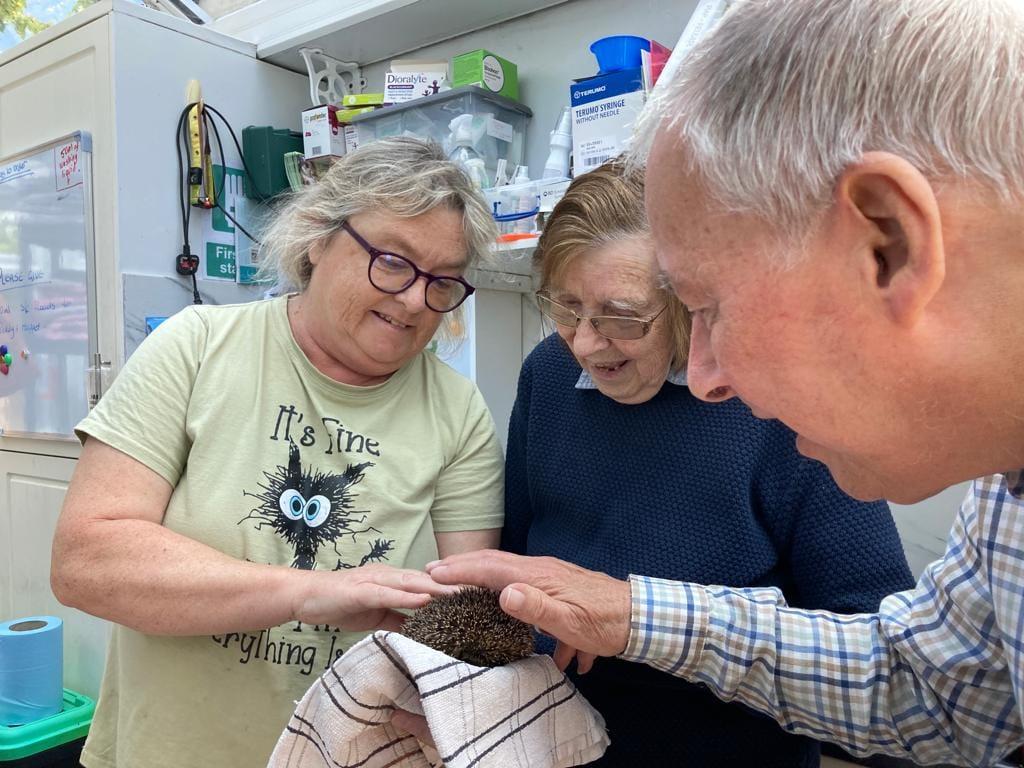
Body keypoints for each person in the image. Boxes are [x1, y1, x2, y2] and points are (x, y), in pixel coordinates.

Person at [426, 1, 1024, 765]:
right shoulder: (1004, 499)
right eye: (567, 311)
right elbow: (925, 686)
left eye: (707, 307)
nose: (705, 379)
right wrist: (635, 615)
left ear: (889, 245)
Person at [50, 137, 506, 768]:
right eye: (393, 262)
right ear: (318, 237)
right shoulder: (199, 347)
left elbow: (464, 623)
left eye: (442, 281)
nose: (413, 300)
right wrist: (309, 593)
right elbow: (88, 562)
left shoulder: (460, 414)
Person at [503, 159, 914, 767]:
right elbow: (518, 553)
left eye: (621, 316)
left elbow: (876, 643)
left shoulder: (773, 399)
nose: (587, 344)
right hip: (556, 736)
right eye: (566, 309)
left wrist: (640, 621)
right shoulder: (548, 371)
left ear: (688, 301)